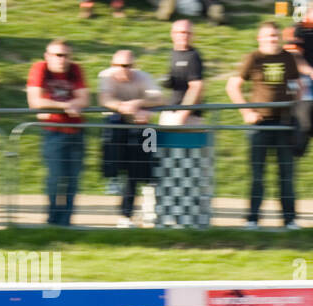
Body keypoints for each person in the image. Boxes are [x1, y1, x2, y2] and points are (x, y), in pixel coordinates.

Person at [229, 22, 302, 230]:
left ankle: (290, 220)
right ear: (259, 38)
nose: (273, 39)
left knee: (286, 174)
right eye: (268, 36)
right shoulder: (254, 58)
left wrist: (294, 107)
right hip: (260, 124)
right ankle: (252, 219)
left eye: (275, 35)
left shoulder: (289, 58)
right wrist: (246, 112)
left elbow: (299, 86)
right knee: (257, 174)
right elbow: (233, 86)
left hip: (284, 124)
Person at [26, 39, 89, 226]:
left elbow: (84, 99)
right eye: (57, 55)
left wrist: (68, 105)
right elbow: (35, 101)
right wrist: (66, 105)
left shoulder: (75, 69)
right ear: (47, 56)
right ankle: (53, 219)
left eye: (65, 55)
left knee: (73, 178)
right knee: (55, 177)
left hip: (76, 130)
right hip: (53, 131)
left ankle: (66, 221)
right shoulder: (40, 68)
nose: (62, 59)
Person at [98, 49, 163, 228]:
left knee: (143, 167)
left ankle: (145, 208)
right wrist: (122, 106)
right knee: (113, 128)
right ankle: (112, 176)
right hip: (119, 127)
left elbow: (159, 98)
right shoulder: (106, 76)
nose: (123, 69)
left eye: (127, 66)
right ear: (112, 66)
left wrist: (139, 104)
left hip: (142, 129)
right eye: (118, 66)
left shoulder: (143, 77)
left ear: (133, 67)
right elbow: (104, 98)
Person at [162, 19, 203, 126]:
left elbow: (196, 86)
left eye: (188, 33)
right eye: (181, 32)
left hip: (188, 117)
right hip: (171, 111)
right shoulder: (173, 54)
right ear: (173, 34)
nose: (184, 35)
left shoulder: (193, 56)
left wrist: (183, 114)